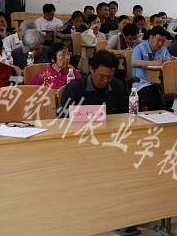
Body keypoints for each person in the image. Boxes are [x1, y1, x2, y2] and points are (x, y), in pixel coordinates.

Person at [60, 48, 138, 236]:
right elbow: (62, 121)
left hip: (113, 144)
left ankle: (123, 214)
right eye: (102, 76)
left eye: (110, 76)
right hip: (81, 144)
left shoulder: (117, 87)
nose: (106, 81)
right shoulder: (74, 88)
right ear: (91, 69)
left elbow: (126, 118)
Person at [131, 27, 171, 110]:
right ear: (151, 37)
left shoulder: (164, 50)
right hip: (142, 83)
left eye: (163, 41)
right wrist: (154, 63)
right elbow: (133, 62)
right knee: (154, 99)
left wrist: (172, 61)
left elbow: (168, 63)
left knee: (172, 97)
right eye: (158, 40)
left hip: (160, 83)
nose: (160, 43)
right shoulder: (140, 48)